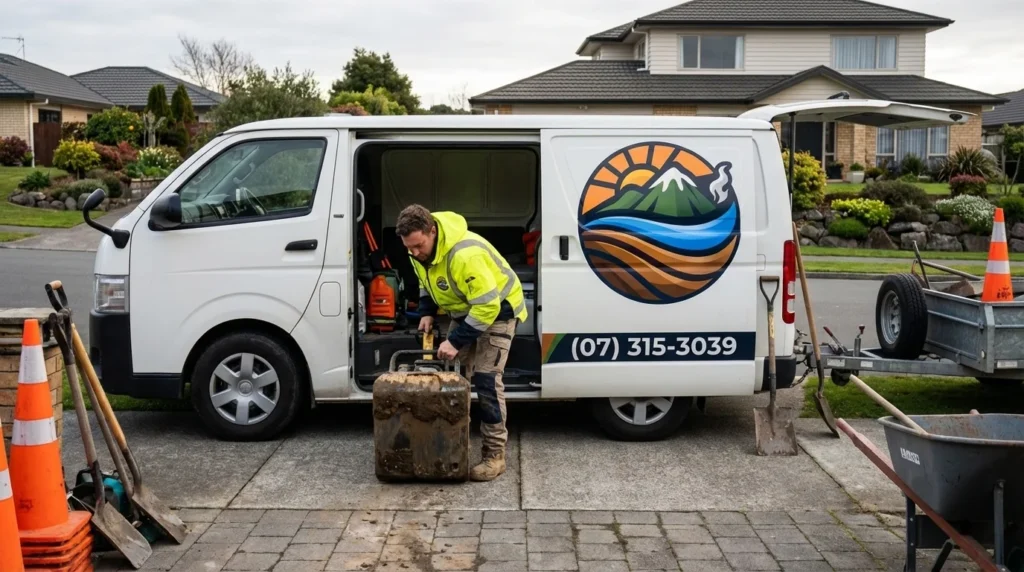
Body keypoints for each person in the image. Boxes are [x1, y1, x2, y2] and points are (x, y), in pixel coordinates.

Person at [395, 204, 527, 482]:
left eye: (419, 245)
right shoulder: (417, 250)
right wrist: (427, 312)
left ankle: (495, 455)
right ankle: (453, 442)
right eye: (410, 248)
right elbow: (426, 281)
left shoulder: (466, 254)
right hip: (466, 310)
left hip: (498, 312)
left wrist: (455, 340)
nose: (415, 253)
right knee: (456, 377)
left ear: (432, 231)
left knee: (486, 381)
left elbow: (487, 307)